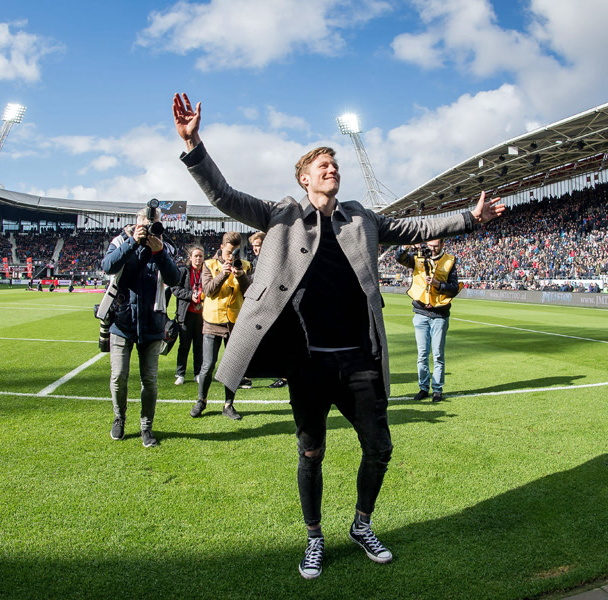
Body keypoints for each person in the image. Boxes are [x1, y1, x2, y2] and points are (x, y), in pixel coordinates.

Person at [173, 92, 505, 579]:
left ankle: (361, 524)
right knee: (312, 452)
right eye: (322, 165)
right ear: (304, 178)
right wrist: (194, 144)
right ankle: (313, 537)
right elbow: (224, 196)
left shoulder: (362, 218)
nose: (332, 169)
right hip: (307, 362)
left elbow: (415, 227)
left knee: (381, 447)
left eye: (334, 164)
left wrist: (471, 219)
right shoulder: (280, 214)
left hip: (359, 359)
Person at [101, 207, 180, 447]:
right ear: (137, 223)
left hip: (152, 322)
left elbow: (175, 279)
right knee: (118, 376)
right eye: (146, 222)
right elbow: (108, 266)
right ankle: (119, 417)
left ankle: (147, 426)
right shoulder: (120, 241)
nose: (150, 226)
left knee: (150, 380)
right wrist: (132, 243)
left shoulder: (165, 247)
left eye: (154, 223)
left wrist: (159, 253)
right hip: (122, 320)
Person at [190, 231, 251, 420]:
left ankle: (228, 404)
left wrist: (240, 275)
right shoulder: (209, 264)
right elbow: (207, 291)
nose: (231, 256)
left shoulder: (245, 266)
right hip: (212, 321)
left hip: (235, 323)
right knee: (207, 365)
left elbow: (250, 291)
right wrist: (224, 274)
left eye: (235, 252)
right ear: (222, 246)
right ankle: (202, 400)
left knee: (233, 366)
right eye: (229, 251)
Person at [395, 239, 462, 402]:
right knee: (422, 354)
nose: (432, 249)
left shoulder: (450, 261)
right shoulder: (417, 257)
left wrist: (439, 284)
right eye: (430, 245)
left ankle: (437, 390)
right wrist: (405, 246)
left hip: (440, 314)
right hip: (420, 312)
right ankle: (423, 388)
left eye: (436, 246)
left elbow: (454, 288)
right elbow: (399, 257)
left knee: (438, 355)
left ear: (442, 244)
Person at [249, 230, 287, 390]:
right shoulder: (259, 261)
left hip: (277, 306)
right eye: (253, 246)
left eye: (257, 245)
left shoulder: (273, 259)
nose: (255, 249)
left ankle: (284, 376)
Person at [172, 245, 205, 385]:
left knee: (199, 346)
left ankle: (197, 373)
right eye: (195, 256)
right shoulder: (183, 272)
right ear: (190, 258)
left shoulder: (207, 272)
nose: (198, 258)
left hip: (202, 315)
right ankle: (180, 374)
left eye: (200, 256)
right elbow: (175, 289)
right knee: (184, 345)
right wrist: (191, 295)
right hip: (186, 314)